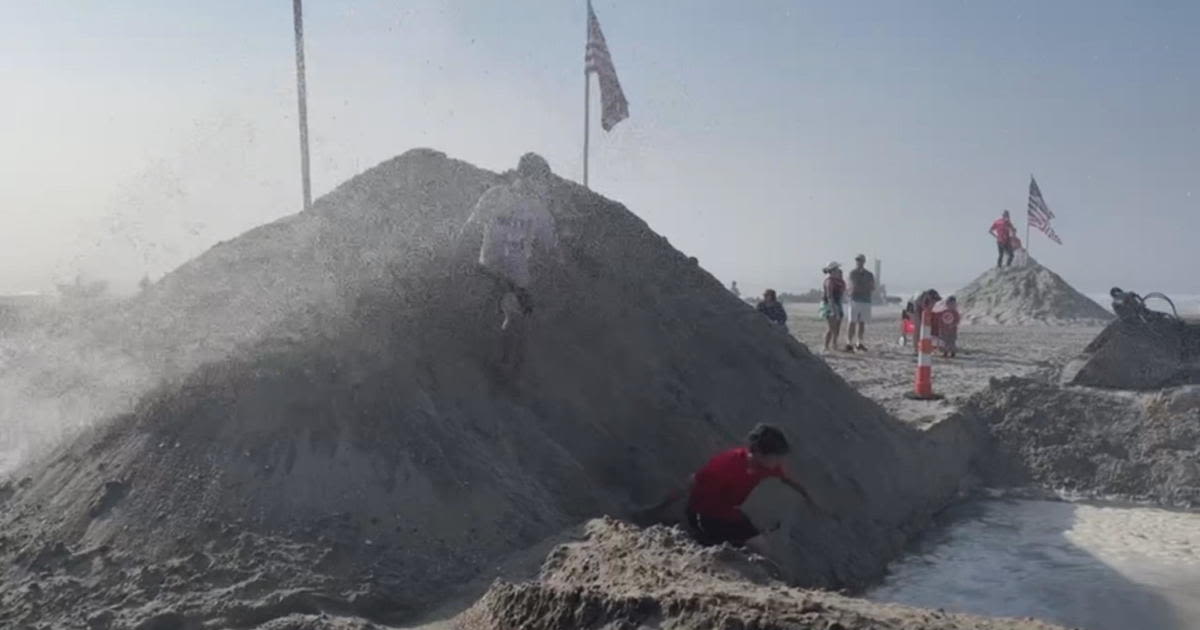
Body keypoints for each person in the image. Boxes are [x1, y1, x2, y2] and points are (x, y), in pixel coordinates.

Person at [640, 424, 823, 556]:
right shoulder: (724, 466)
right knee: (758, 547)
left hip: (730, 512)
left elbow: (788, 480)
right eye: (776, 457)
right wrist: (657, 508)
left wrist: (810, 499)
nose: (779, 462)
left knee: (758, 542)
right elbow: (689, 484)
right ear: (758, 452)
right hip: (704, 516)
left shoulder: (768, 465)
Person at [461, 153, 562, 372]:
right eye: (535, 178)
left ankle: (507, 371)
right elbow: (471, 228)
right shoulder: (496, 196)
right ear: (522, 175)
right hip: (488, 270)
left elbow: (552, 248)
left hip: (518, 280)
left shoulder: (538, 210)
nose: (539, 184)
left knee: (521, 319)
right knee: (500, 311)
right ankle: (488, 365)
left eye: (542, 180)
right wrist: (463, 257)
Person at [846, 254, 876, 351]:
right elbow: (853, 287)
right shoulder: (853, 273)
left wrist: (861, 287)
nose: (859, 262)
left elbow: (872, 287)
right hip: (855, 300)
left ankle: (860, 342)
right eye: (857, 260)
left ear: (864, 261)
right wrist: (864, 287)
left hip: (865, 300)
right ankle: (849, 343)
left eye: (861, 260)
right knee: (852, 322)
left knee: (862, 322)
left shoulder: (869, 274)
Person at [820, 262, 849, 352]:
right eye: (836, 269)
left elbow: (843, 293)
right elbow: (829, 296)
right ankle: (826, 346)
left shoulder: (840, 281)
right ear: (832, 271)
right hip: (829, 305)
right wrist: (833, 309)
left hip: (838, 303)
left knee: (837, 327)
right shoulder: (829, 281)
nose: (839, 271)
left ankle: (834, 344)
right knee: (831, 327)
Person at [911, 289, 942, 356]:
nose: (934, 303)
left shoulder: (932, 299)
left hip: (919, 307)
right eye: (933, 301)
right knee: (918, 328)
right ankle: (916, 348)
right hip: (913, 307)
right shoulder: (922, 299)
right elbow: (923, 308)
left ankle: (927, 346)